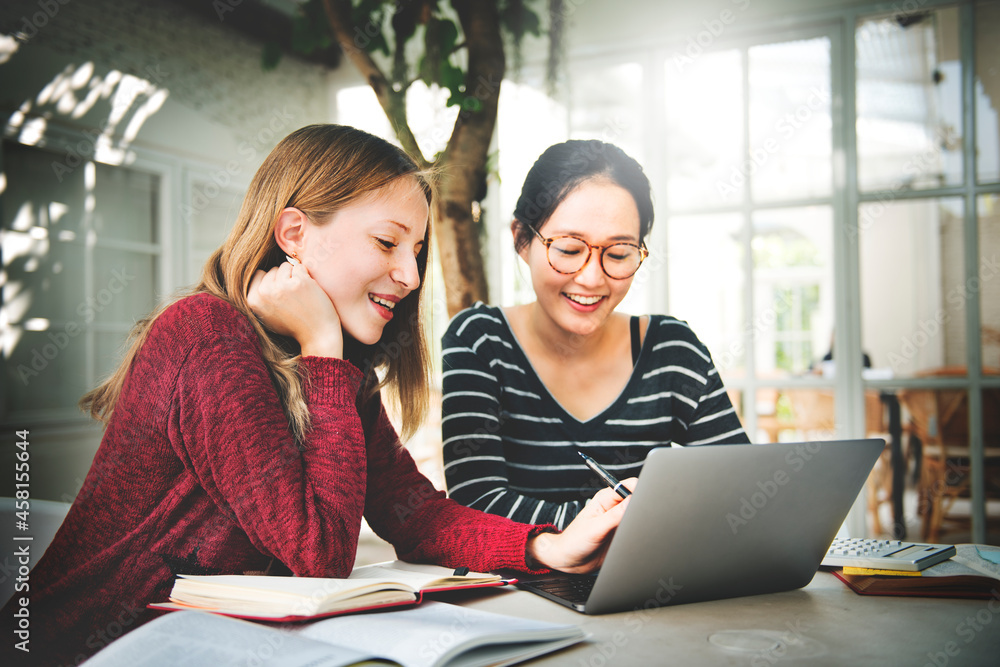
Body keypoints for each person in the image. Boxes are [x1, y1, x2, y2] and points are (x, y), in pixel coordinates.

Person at [4, 125, 631, 666]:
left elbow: (414, 513)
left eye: (415, 252)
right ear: (295, 234)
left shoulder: (335, 374)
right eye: (387, 243)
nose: (411, 277)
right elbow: (319, 552)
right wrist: (322, 348)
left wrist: (548, 544)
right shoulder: (206, 334)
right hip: (83, 651)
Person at [442, 139, 748, 529]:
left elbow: (741, 491)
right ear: (522, 238)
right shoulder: (481, 341)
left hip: (648, 581)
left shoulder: (672, 351)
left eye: (619, 254)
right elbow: (476, 504)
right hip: (518, 587)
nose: (591, 278)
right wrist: (635, 521)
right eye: (569, 249)